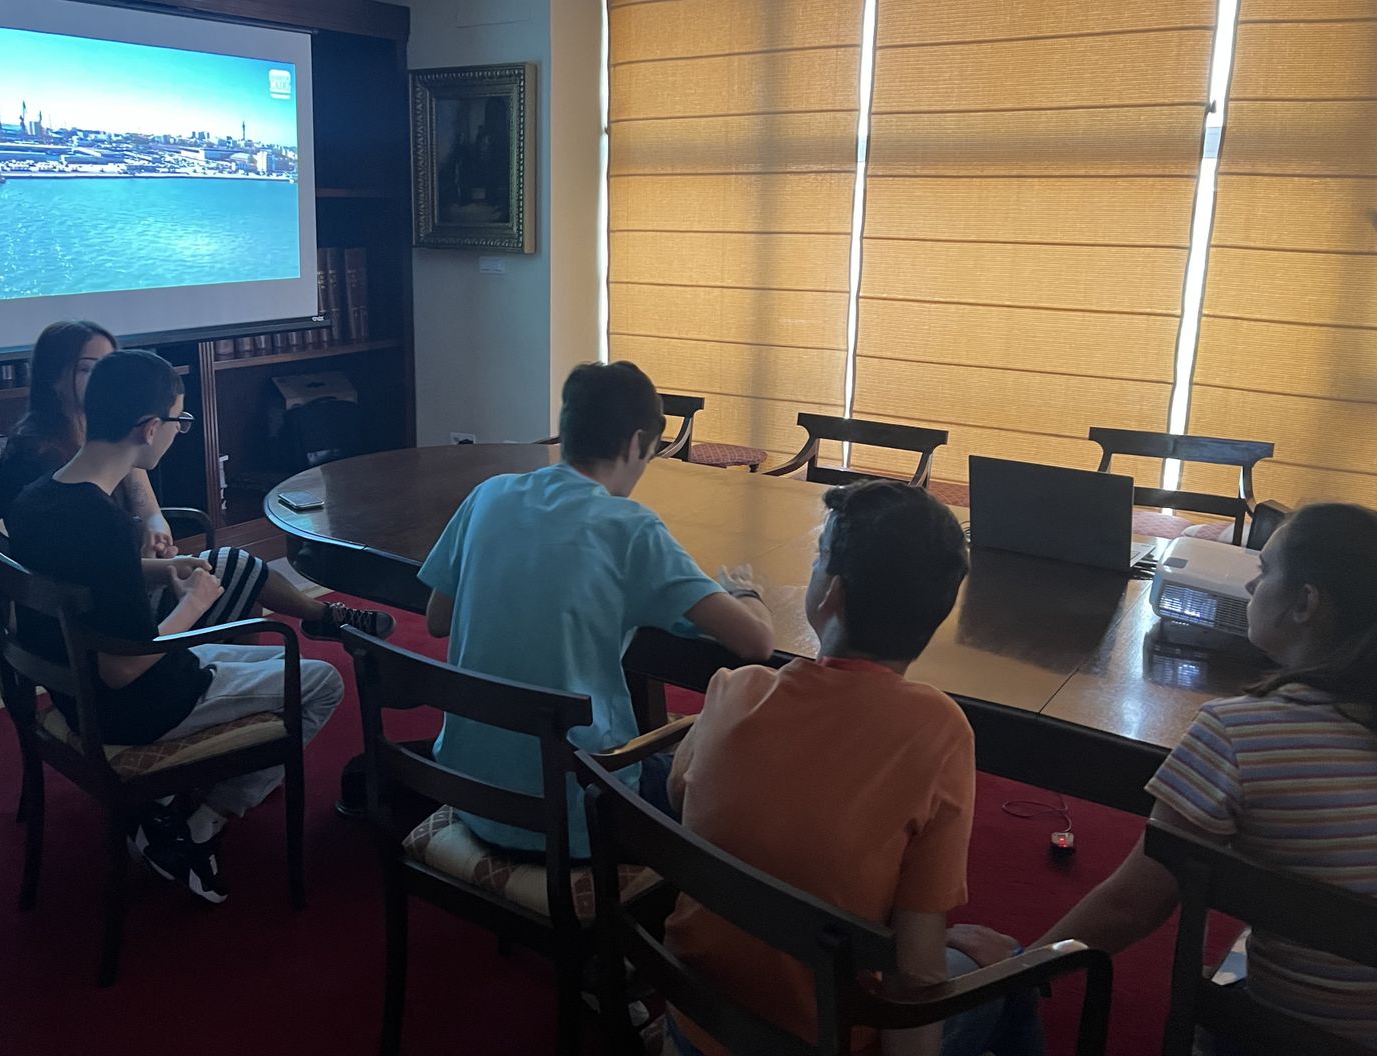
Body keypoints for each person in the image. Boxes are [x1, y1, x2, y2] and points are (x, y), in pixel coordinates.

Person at [663, 479, 1042, 1056]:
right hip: (827, 1035)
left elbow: (676, 797)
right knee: (1011, 961)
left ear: (831, 593)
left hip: (692, 1022)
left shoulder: (733, 690)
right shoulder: (937, 731)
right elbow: (915, 979)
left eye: (817, 558)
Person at [998, 501, 1377, 1047]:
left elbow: (1132, 904)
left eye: (1265, 570)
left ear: (1306, 604)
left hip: (1283, 1034)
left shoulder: (1239, 735)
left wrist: (1019, 971)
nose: (1250, 586)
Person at [7, 349, 346, 904]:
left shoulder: (39, 498)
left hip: (73, 690)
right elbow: (125, 668)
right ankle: (195, 824)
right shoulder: (107, 524)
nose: (178, 432)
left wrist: (163, 569)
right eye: (179, 421)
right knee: (323, 681)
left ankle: (172, 803)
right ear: (148, 428)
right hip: (140, 705)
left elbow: (82, 577)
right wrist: (193, 603)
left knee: (279, 662)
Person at [418, 360, 776, 858]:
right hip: (577, 811)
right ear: (635, 445)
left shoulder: (489, 495)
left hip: (469, 789)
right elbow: (756, 642)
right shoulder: (629, 527)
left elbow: (438, 620)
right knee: (732, 796)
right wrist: (743, 590)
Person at [0, 319, 394, 642]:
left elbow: (131, 471)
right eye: (88, 368)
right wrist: (174, 588)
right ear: (53, 378)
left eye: (110, 364)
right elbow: (82, 563)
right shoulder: (39, 455)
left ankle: (322, 621)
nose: (106, 377)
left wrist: (152, 522)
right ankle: (318, 626)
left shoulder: (94, 437)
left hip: (109, 586)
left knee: (224, 567)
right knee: (232, 572)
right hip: (98, 616)